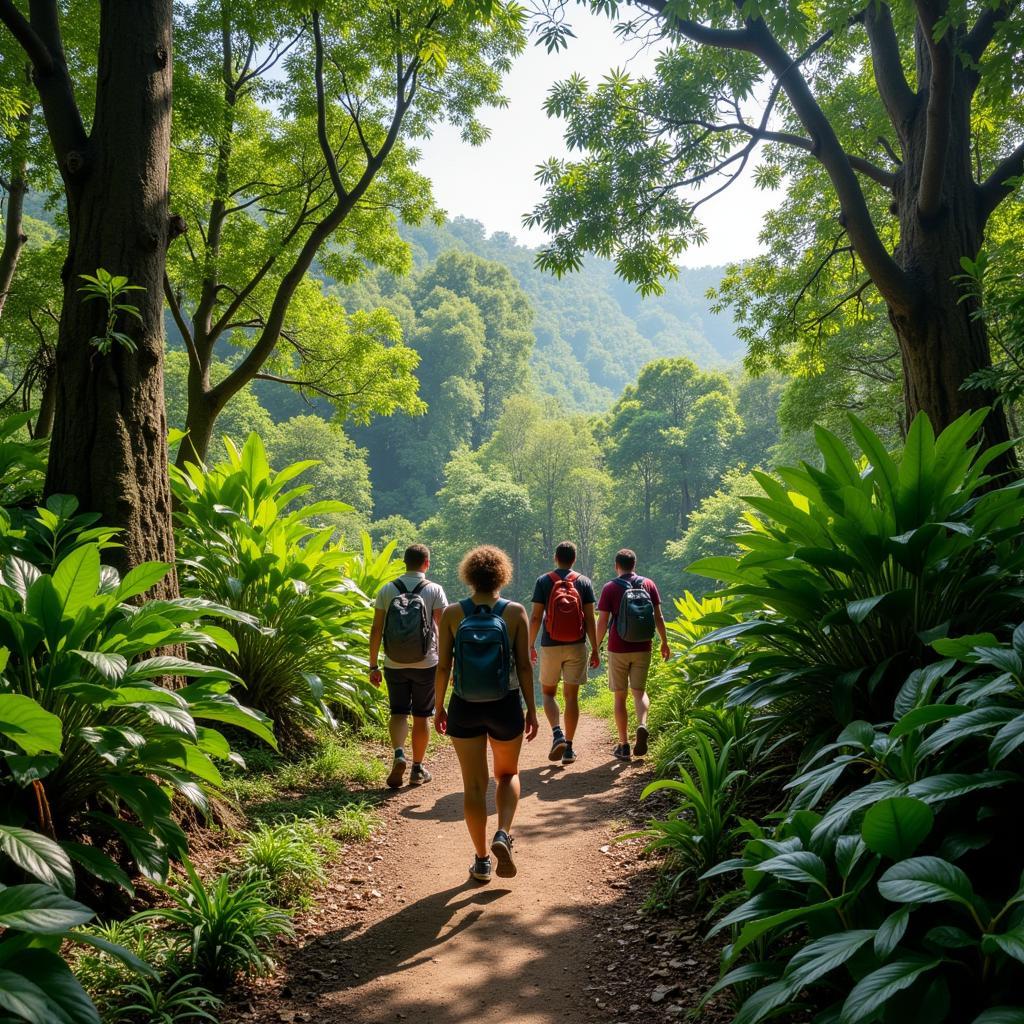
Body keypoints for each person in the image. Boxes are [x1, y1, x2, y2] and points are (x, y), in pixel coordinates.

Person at [435, 545, 539, 883]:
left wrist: (439, 706)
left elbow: (444, 667)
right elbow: (524, 666)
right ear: (501, 575)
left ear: (469, 576)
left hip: (464, 705)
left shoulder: (452, 613)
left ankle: (481, 861)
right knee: (507, 774)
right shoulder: (514, 612)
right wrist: (532, 710)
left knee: (474, 786)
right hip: (505, 704)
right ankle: (503, 833)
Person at [369, 544, 448, 789]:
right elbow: (444, 629)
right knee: (422, 716)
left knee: (398, 712)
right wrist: (449, 664)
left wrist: (373, 665)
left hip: (394, 662)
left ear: (405, 562)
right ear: (426, 563)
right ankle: (416, 768)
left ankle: (399, 753)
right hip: (427, 663)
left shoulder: (387, 590)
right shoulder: (434, 590)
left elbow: (376, 629)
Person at [596, 549, 671, 761]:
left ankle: (623, 745)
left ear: (616, 565)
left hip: (618, 648)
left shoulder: (610, 587)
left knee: (620, 696)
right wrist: (664, 642)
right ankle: (642, 725)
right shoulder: (649, 584)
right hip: (643, 646)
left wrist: (595, 645)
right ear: (634, 564)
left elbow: (602, 621)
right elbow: (658, 616)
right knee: (639, 692)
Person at [528, 540, 599, 766]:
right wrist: (595, 648)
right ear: (574, 559)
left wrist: (530, 645)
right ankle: (568, 748)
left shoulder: (544, 581)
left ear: (555, 557)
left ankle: (556, 733)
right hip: (577, 645)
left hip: (550, 645)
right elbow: (590, 619)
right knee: (571, 697)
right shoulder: (584, 582)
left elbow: (536, 617)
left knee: (548, 693)